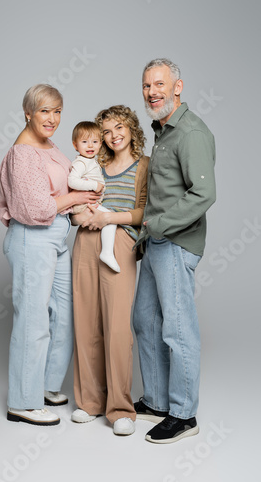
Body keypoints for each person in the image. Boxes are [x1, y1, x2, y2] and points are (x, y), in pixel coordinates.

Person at [0, 84, 99, 426]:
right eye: (44, 111)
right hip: (32, 238)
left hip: (55, 237)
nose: (52, 118)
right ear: (28, 113)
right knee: (33, 320)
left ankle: (43, 385)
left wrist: (85, 195)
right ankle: (22, 402)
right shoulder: (23, 153)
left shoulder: (51, 147)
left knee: (64, 313)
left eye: (57, 111)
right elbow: (37, 208)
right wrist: (77, 198)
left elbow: (69, 186)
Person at [133, 58, 216, 444]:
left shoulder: (191, 133)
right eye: (147, 85)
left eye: (160, 84)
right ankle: (156, 400)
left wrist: (159, 226)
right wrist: (147, 235)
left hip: (176, 243)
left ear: (178, 87)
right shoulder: (162, 131)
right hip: (154, 243)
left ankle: (184, 415)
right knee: (145, 321)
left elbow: (204, 194)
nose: (152, 91)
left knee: (177, 330)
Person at [70, 105, 149, 436]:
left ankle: (120, 408)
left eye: (120, 127)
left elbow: (144, 211)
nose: (113, 135)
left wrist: (108, 218)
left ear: (131, 128)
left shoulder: (144, 165)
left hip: (118, 243)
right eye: (106, 130)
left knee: (117, 327)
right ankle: (89, 402)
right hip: (85, 240)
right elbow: (74, 201)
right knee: (86, 322)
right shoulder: (94, 163)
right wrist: (79, 217)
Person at [68, 121, 120, 272]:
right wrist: (93, 185)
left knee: (108, 218)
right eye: (84, 142)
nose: (90, 146)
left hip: (89, 203)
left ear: (100, 144)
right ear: (75, 145)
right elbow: (72, 180)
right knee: (110, 218)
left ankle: (106, 252)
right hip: (84, 205)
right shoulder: (81, 162)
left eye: (94, 142)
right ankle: (107, 253)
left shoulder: (91, 161)